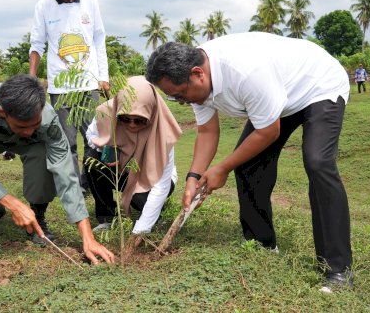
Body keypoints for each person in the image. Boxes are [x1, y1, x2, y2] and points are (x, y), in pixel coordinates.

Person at [145, 32, 353, 289]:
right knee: (248, 165)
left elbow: (269, 131)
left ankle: (337, 268)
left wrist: (222, 168)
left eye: (180, 95)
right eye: (174, 98)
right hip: (278, 95)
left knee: (318, 162)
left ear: (198, 73)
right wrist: (193, 177)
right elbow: (207, 131)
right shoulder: (193, 80)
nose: (181, 101)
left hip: (317, 85)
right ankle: (261, 244)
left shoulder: (245, 72)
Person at [0, 75, 115, 264]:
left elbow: (67, 175)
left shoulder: (49, 120)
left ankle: (37, 216)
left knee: (43, 154)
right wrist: (12, 203)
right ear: (2, 113)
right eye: (23, 126)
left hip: (31, 145)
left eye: (35, 125)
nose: (30, 130)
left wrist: (88, 238)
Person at [29, 0, 109, 195]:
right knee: (68, 141)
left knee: (93, 138)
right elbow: (36, 44)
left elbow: (99, 39)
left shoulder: (91, 1)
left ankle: (91, 180)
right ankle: (75, 188)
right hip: (60, 87)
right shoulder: (43, 6)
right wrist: (32, 78)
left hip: (88, 83)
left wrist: (103, 76)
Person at [84, 76, 182, 234]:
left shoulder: (163, 131)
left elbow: (161, 185)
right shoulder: (106, 113)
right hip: (123, 170)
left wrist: (141, 229)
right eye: (125, 119)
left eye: (139, 121)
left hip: (152, 177)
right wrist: (110, 149)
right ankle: (106, 217)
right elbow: (91, 137)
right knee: (91, 160)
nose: (132, 125)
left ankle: (157, 213)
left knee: (140, 202)